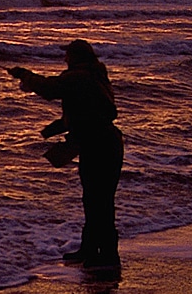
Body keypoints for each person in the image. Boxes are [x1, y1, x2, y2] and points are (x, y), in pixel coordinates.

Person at [9, 40, 124, 270]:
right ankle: (91, 250)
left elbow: (51, 89)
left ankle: (107, 257)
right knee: (95, 200)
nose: (64, 58)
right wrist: (56, 127)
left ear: (76, 56)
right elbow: (89, 111)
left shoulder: (79, 77)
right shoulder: (94, 75)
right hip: (105, 143)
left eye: (67, 54)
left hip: (99, 146)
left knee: (98, 201)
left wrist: (25, 75)